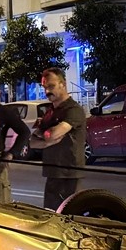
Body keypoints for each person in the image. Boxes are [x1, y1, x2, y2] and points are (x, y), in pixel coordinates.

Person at [34, 67, 86, 210]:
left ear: (63, 84)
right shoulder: (50, 112)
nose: (47, 91)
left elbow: (54, 134)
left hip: (68, 175)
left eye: (51, 86)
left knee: (68, 216)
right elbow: (32, 141)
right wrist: (47, 141)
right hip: (52, 173)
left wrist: (47, 135)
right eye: (44, 87)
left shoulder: (73, 109)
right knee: (50, 215)